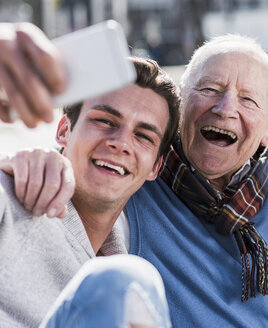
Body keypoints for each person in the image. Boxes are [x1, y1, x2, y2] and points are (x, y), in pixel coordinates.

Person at [3, 15, 268, 327]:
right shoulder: (141, 178)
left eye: (248, 100)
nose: (225, 109)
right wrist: (36, 159)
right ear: (183, 105)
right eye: (208, 89)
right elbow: (89, 161)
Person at [0, 37, 180, 327]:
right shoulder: (10, 192)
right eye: (105, 121)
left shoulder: (130, 239)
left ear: (156, 167)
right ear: (64, 131)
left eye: (144, 136)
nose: (121, 143)